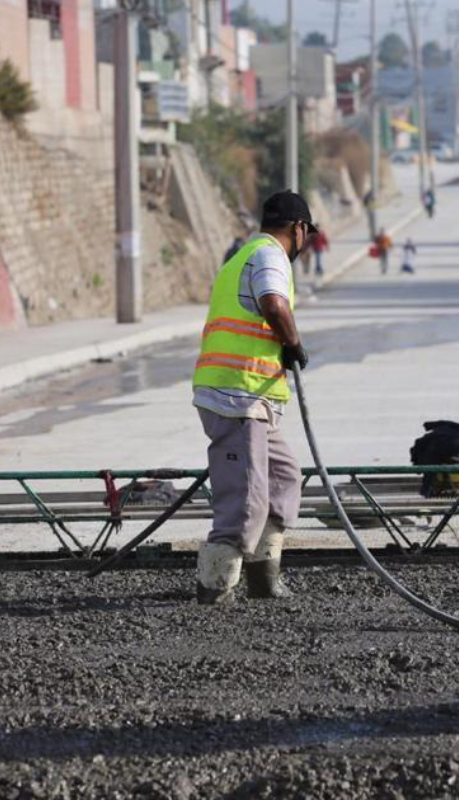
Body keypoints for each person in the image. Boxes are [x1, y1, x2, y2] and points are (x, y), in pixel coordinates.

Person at [191, 190, 314, 604]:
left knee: (283, 478)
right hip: (236, 394)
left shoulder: (244, 254)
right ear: (297, 229)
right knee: (246, 494)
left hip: (255, 398)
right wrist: (293, 342)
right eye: (306, 233)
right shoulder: (269, 256)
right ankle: (215, 585)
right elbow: (273, 304)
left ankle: (264, 578)